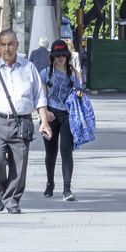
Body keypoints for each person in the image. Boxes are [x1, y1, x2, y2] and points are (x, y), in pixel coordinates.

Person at [0, 30, 52, 214]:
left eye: (11, 44)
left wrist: (44, 121)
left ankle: (12, 200)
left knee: (19, 164)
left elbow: (39, 97)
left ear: (17, 45)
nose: (7, 48)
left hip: (21, 123)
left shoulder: (29, 68)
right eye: (3, 44)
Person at [40, 39, 85, 201]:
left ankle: (67, 189)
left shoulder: (73, 73)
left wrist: (80, 92)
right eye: (57, 55)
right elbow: (41, 97)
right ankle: (50, 183)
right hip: (50, 115)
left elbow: (80, 90)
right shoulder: (45, 73)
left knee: (66, 151)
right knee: (50, 153)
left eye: (63, 55)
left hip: (67, 115)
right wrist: (44, 114)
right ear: (52, 56)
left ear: (67, 56)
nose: (60, 58)